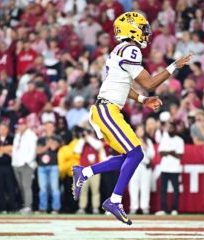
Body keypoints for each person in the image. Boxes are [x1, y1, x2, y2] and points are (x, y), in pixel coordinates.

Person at [71, 11, 192, 225]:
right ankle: (114, 200)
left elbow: (123, 87)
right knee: (136, 154)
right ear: (132, 30)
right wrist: (175, 66)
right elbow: (150, 83)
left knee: (130, 156)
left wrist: (143, 100)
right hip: (107, 110)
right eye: (143, 29)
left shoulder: (120, 50)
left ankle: (85, 172)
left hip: (108, 110)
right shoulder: (131, 49)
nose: (146, 33)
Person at [155, 124, 185, 216]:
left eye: (172, 128)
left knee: (176, 189)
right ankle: (163, 209)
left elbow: (180, 155)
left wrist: (167, 152)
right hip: (164, 168)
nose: (170, 129)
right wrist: (171, 152)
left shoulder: (179, 140)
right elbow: (160, 153)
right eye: (169, 128)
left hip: (175, 169)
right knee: (163, 189)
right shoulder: (164, 139)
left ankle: (174, 209)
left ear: (175, 129)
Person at [73, 128, 104, 214]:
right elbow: (76, 150)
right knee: (83, 190)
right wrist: (83, 139)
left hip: (95, 170)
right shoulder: (82, 143)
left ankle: (95, 207)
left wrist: (89, 138)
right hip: (84, 170)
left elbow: (98, 146)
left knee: (95, 190)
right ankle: (82, 207)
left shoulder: (96, 143)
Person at [11, 118, 38, 214]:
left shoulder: (31, 135)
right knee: (21, 186)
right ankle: (25, 204)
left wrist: (27, 161)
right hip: (16, 164)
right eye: (19, 125)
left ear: (26, 125)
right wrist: (13, 162)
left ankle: (28, 206)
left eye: (22, 124)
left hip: (26, 164)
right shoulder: (17, 135)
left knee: (26, 186)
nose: (20, 126)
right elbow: (15, 149)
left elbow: (33, 150)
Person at [128, 125, 155, 214]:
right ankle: (133, 207)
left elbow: (152, 155)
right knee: (133, 187)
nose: (140, 131)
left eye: (141, 129)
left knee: (145, 187)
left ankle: (145, 207)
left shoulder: (148, 141)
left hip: (145, 166)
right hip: (134, 166)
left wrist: (145, 147)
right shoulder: (131, 140)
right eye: (138, 130)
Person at [36, 122, 61, 214]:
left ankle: (55, 208)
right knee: (42, 188)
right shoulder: (41, 139)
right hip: (42, 166)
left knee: (54, 188)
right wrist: (47, 145)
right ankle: (43, 208)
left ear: (53, 128)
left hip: (53, 165)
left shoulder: (57, 138)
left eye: (51, 127)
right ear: (44, 128)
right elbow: (38, 151)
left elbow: (54, 147)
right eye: (47, 126)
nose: (49, 128)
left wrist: (50, 141)